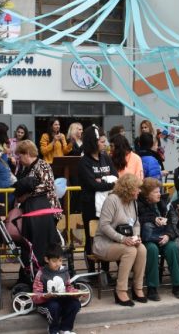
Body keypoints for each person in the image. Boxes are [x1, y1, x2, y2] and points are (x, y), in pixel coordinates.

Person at [93, 173, 147, 306]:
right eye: (137, 188)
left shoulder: (133, 202)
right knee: (130, 251)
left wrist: (136, 237)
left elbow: (136, 224)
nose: (139, 191)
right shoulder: (112, 200)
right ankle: (120, 291)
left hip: (123, 241)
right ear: (128, 188)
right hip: (104, 243)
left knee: (142, 249)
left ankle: (137, 288)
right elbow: (104, 225)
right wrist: (123, 239)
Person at [12, 140, 61, 284]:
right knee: (30, 244)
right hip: (33, 211)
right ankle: (29, 275)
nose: (18, 160)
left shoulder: (43, 165)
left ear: (27, 154)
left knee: (42, 244)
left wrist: (27, 194)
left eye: (20, 156)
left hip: (46, 211)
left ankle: (43, 275)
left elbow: (47, 185)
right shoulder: (26, 169)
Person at [137, 177, 179, 300]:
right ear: (147, 194)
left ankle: (178, 285)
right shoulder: (138, 204)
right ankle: (152, 288)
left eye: (159, 191)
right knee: (152, 250)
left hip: (163, 236)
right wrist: (153, 218)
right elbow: (138, 220)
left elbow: (171, 222)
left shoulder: (162, 203)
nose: (159, 194)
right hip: (147, 239)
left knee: (172, 247)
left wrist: (168, 235)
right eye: (156, 192)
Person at [77, 125, 118, 272]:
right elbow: (93, 185)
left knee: (106, 237)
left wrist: (104, 182)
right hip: (90, 206)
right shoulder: (84, 162)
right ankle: (92, 272)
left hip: (107, 205)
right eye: (101, 141)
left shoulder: (106, 158)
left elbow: (116, 178)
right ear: (93, 142)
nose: (104, 144)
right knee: (91, 238)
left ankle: (105, 271)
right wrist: (108, 182)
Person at [32, 244, 83, 334]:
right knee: (54, 306)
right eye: (54, 261)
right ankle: (53, 330)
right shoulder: (41, 274)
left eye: (60, 260)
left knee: (75, 304)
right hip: (46, 304)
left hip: (61, 301)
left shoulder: (64, 271)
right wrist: (45, 296)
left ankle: (65, 328)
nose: (58, 264)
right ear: (47, 259)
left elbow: (68, 287)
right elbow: (35, 296)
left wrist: (76, 293)